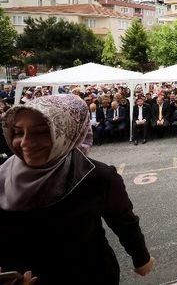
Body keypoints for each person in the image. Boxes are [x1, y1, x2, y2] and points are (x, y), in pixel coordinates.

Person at [0, 94, 154, 282]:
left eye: (41, 132)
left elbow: (124, 221)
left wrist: (141, 258)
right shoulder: (2, 176)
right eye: (18, 132)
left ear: (67, 131)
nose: (25, 143)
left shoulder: (98, 176)